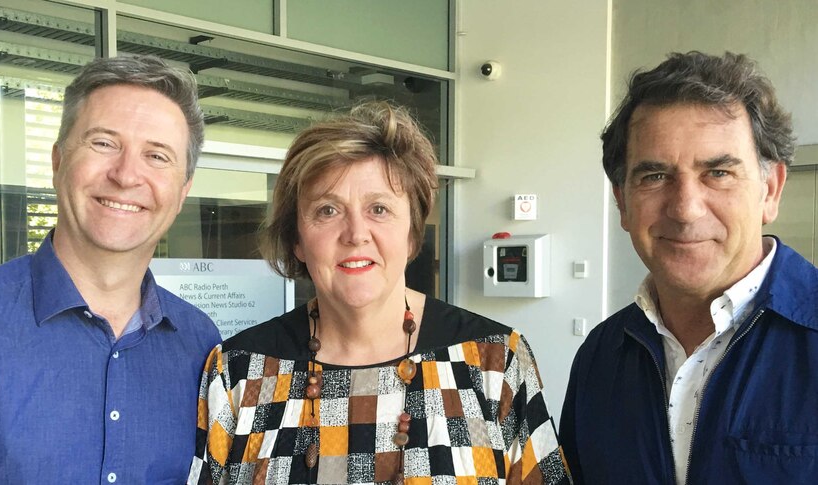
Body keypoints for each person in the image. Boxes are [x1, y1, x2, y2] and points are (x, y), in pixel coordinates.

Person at [188, 102, 571, 485]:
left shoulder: (495, 361)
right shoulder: (238, 371)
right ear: (297, 241)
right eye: (327, 210)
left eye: (379, 209)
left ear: (411, 234)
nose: (356, 233)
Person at [0, 55, 222, 483]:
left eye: (156, 155)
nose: (126, 174)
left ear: (183, 190)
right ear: (59, 161)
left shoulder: (201, 343)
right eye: (103, 143)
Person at [560, 51, 818, 484]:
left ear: (770, 191)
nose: (684, 209)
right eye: (654, 176)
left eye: (718, 172)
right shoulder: (600, 357)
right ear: (622, 202)